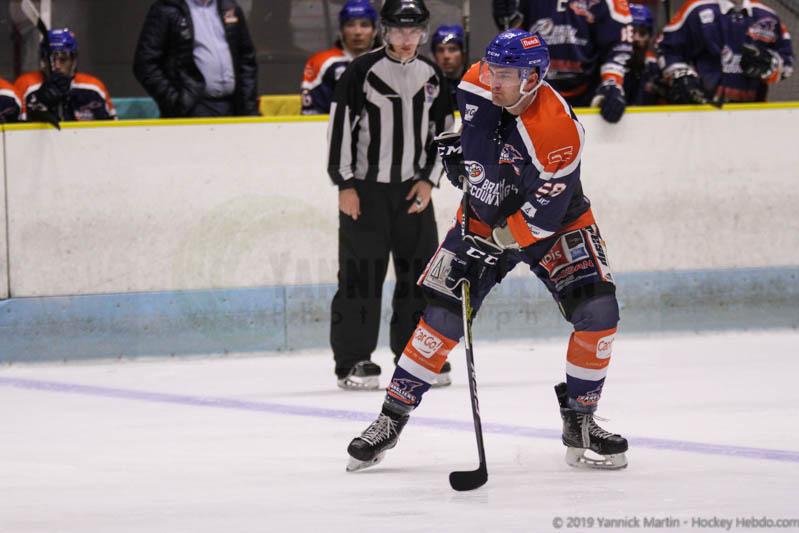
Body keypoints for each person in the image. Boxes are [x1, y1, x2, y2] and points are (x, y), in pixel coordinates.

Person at [346, 29, 628, 472]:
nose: (495, 81)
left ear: (533, 78)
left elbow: (539, 220)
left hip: (554, 222)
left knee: (598, 311)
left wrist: (491, 240)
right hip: (482, 216)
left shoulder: (557, 132)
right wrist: (465, 157)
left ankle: (581, 420)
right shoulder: (474, 82)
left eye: (507, 75)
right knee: (441, 317)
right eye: (493, 70)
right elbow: (482, 133)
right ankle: (390, 418)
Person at [327, 0, 455, 390]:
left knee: (420, 275)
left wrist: (429, 180)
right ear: (385, 31)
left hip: (413, 191)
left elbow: (445, 131)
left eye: (414, 30)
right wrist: (345, 184)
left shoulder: (431, 74)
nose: (407, 38)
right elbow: (340, 127)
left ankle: (416, 356)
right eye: (399, 30)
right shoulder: (361, 71)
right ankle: (353, 361)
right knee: (360, 275)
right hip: (365, 192)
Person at [491, 0, 633, 123]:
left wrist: (611, 83)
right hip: (535, 94)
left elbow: (618, 45)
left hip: (589, 95)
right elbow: (516, 42)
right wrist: (509, 27)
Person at [133, 0, 258, 118]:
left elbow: (246, 59)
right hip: (192, 109)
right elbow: (145, 64)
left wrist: (248, 105)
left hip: (233, 107)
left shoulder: (230, 6)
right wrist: (176, 102)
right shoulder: (166, 9)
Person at [657, 0, 793, 104]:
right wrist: (682, 76)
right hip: (704, 110)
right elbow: (667, 49)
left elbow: (786, 61)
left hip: (752, 112)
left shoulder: (767, 15)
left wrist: (770, 64)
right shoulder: (696, 9)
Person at [15, 28, 116, 123]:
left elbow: (113, 128)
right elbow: (16, 130)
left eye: (63, 59)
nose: (57, 66)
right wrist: (38, 106)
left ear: (73, 60)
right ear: (43, 60)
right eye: (51, 59)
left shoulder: (93, 88)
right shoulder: (26, 85)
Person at [301, 0, 378, 115]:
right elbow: (312, 114)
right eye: (350, 25)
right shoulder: (321, 62)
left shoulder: (387, 63)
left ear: (374, 31)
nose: (357, 32)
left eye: (364, 25)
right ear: (341, 30)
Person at [625, 3, 668, 105]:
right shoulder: (610, 66)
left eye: (642, 33)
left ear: (650, 37)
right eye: (632, 32)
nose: (636, 38)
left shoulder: (655, 67)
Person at [431, 24, 467, 105]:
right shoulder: (428, 87)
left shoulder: (475, 86)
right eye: (440, 50)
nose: (446, 56)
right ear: (434, 55)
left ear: (463, 54)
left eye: (452, 49)